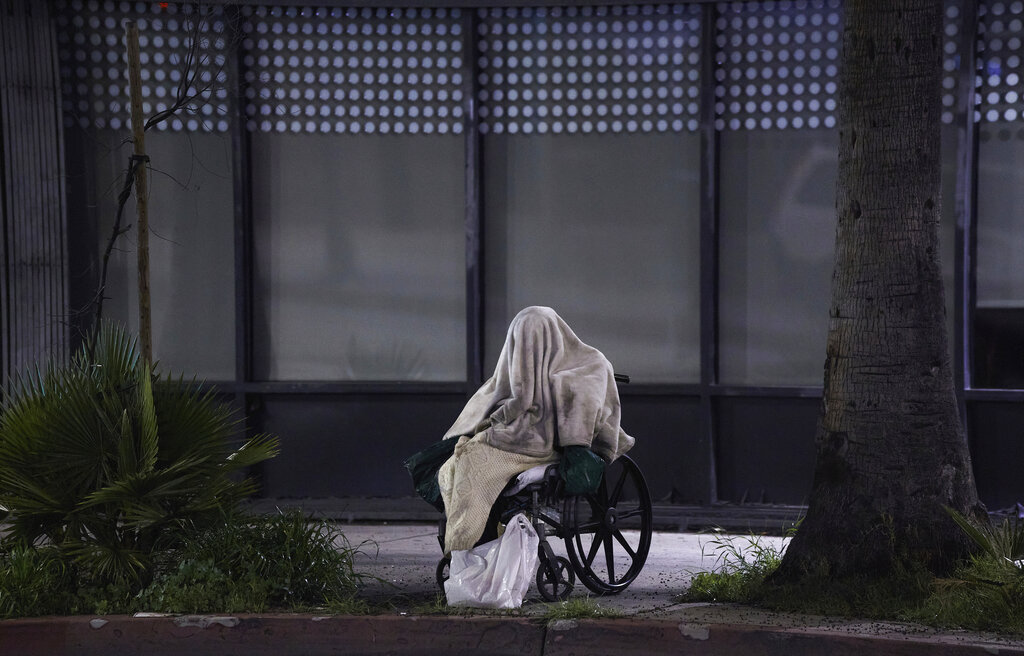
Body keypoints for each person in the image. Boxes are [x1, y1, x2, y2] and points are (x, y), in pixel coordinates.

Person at [437, 306, 634, 554]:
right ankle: (478, 543)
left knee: (466, 462)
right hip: (539, 444)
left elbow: (519, 397)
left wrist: (495, 418)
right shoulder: (590, 363)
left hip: (533, 447)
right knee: (460, 461)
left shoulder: (556, 365)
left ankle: (463, 548)